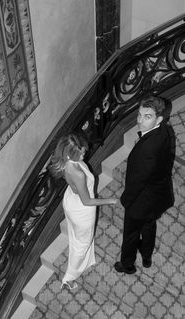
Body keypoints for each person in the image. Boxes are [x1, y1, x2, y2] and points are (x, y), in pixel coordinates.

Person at [114, 95, 174, 274]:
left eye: (147, 117)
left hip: (141, 201)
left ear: (159, 119)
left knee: (131, 234)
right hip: (158, 196)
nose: (139, 120)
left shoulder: (147, 152)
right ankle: (147, 256)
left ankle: (127, 264)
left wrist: (125, 200)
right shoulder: (165, 131)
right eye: (139, 114)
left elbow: (137, 181)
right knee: (149, 225)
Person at [49, 133, 117, 289]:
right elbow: (87, 201)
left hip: (72, 200)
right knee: (82, 243)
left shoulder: (66, 162)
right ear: (69, 153)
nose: (84, 153)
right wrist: (111, 201)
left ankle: (85, 261)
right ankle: (69, 277)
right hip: (82, 209)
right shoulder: (78, 174)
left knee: (78, 238)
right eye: (81, 152)